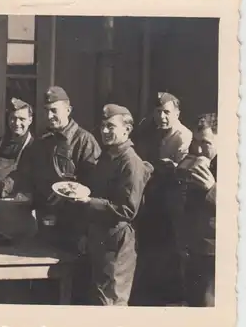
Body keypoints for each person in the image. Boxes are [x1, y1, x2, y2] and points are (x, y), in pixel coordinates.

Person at [72, 104, 153, 306]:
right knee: (98, 297)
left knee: (112, 301)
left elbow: (127, 209)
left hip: (118, 241)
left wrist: (89, 201)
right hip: (100, 238)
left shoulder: (130, 162)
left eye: (111, 126)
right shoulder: (107, 157)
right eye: (103, 126)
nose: (105, 131)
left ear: (126, 130)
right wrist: (86, 232)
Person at [29, 86, 101, 304]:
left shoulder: (85, 141)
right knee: (45, 283)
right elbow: (35, 176)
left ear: (68, 110)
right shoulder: (44, 141)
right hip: (47, 221)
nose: (49, 116)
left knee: (74, 284)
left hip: (75, 223)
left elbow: (94, 184)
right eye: (46, 111)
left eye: (54, 111)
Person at [131, 92, 193, 305]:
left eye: (167, 112)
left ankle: (170, 297)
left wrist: (168, 167)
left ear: (177, 113)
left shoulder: (183, 136)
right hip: (154, 198)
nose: (162, 117)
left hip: (172, 201)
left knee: (169, 248)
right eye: (158, 112)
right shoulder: (153, 132)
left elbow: (183, 170)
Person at [0, 97, 36, 239]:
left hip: (20, 214)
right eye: (12, 118)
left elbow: (23, 176)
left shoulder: (35, 147)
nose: (17, 123)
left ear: (30, 120)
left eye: (22, 119)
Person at [177, 113, 217, 307]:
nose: (200, 148)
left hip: (215, 251)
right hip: (194, 247)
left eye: (206, 143)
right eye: (196, 141)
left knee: (209, 304)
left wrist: (213, 189)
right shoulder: (198, 161)